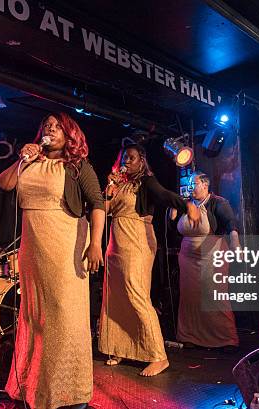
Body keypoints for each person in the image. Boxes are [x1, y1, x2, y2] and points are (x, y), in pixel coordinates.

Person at [0, 112, 105, 409]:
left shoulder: (76, 166)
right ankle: (34, 385)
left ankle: (70, 390)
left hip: (65, 240)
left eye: (58, 126)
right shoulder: (31, 162)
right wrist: (23, 159)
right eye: (46, 125)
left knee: (64, 315)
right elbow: (5, 184)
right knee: (35, 315)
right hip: (33, 245)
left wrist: (95, 244)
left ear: (70, 134)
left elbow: (98, 203)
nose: (51, 129)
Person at [98, 142, 200, 376]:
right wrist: (109, 190)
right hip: (116, 242)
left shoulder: (146, 181)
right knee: (115, 298)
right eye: (124, 158)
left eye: (132, 158)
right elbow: (101, 210)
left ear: (142, 160)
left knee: (136, 295)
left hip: (137, 240)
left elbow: (164, 195)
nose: (127, 162)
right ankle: (120, 347)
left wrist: (186, 205)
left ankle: (158, 355)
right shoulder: (118, 184)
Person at [169, 171, 240, 350]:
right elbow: (173, 226)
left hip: (211, 254)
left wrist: (236, 245)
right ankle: (190, 337)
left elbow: (231, 224)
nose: (192, 187)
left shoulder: (218, 202)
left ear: (205, 185)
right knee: (190, 296)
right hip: (188, 258)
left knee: (214, 294)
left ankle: (225, 338)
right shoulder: (188, 205)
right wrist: (175, 207)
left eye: (195, 183)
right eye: (190, 184)